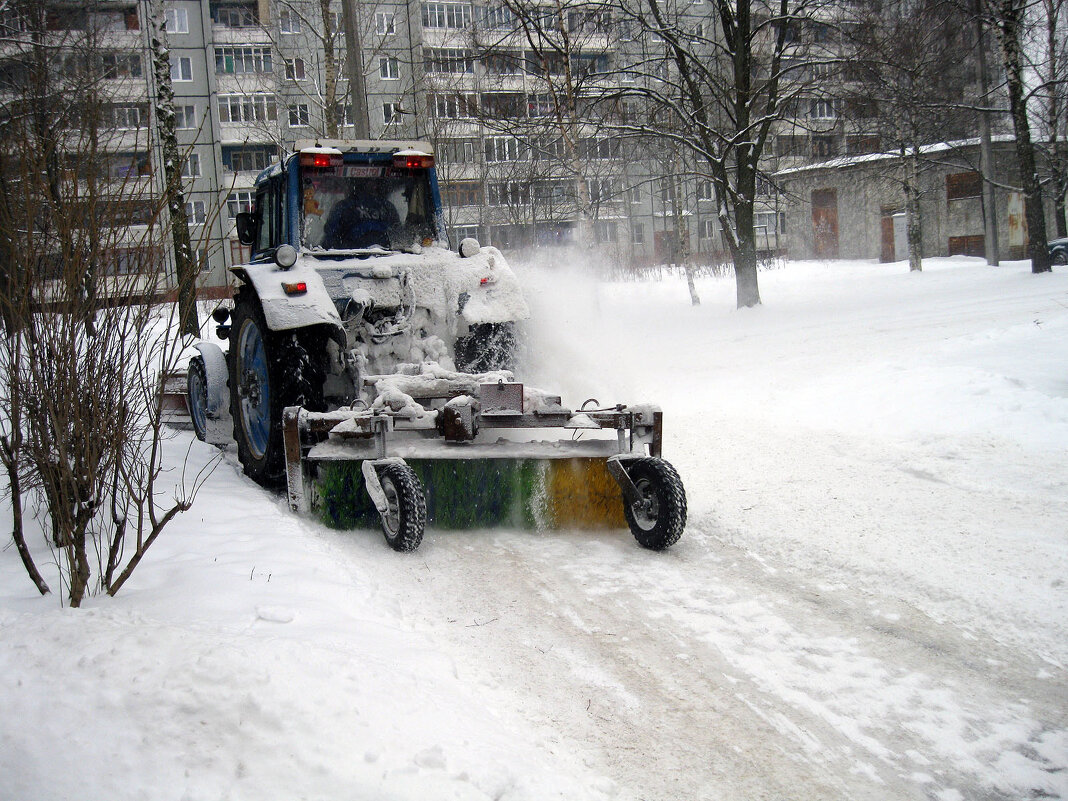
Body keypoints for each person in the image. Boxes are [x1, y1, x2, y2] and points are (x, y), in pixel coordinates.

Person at [322, 180, 401, 249]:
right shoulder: (387, 206)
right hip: (385, 257)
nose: (373, 186)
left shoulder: (344, 206)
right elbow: (398, 234)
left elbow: (331, 235)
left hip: (349, 258)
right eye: (371, 183)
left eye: (374, 183)